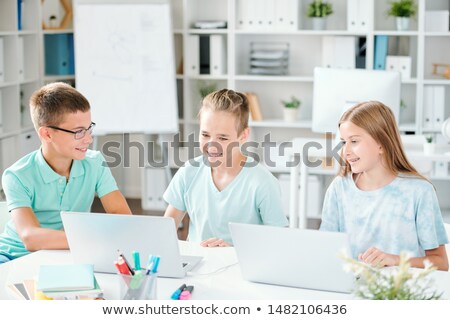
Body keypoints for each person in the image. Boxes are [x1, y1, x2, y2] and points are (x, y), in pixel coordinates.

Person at [0, 82, 131, 264]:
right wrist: (94, 238)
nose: (88, 139)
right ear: (47, 134)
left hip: (68, 253)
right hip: (13, 256)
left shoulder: (95, 163)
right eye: (78, 132)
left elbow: (122, 215)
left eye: (89, 128)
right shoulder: (17, 176)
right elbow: (31, 237)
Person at [320, 101, 448, 271]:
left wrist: (395, 260)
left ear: (381, 144)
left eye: (354, 141)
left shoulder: (419, 192)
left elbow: (440, 263)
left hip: (401, 291)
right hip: (352, 289)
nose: (345, 151)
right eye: (344, 142)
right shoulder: (339, 188)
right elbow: (324, 252)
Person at [164, 89, 288, 247]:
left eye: (222, 137)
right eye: (205, 135)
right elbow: (165, 229)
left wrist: (232, 251)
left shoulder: (262, 182)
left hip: (242, 266)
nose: (212, 145)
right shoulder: (188, 172)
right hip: (197, 268)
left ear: (243, 136)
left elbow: (279, 242)